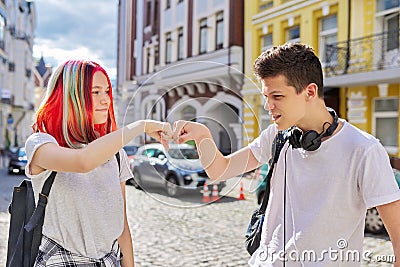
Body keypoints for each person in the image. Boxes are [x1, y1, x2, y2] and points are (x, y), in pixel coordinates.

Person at [173, 43, 400, 266]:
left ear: (309, 91)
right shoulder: (276, 135)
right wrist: (202, 136)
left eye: (277, 96)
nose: (267, 106)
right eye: (266, 97)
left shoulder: (364, 149)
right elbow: (219, 170)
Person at [25, 60, 172, 267]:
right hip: (61, 261)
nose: (105, 100)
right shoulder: (41, 143)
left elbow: (121, 223)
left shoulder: (116, 154)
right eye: (95, 92)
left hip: (108, 261)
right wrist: (141, 126)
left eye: (107, 91)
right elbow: (83, 161)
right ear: (70, 96)